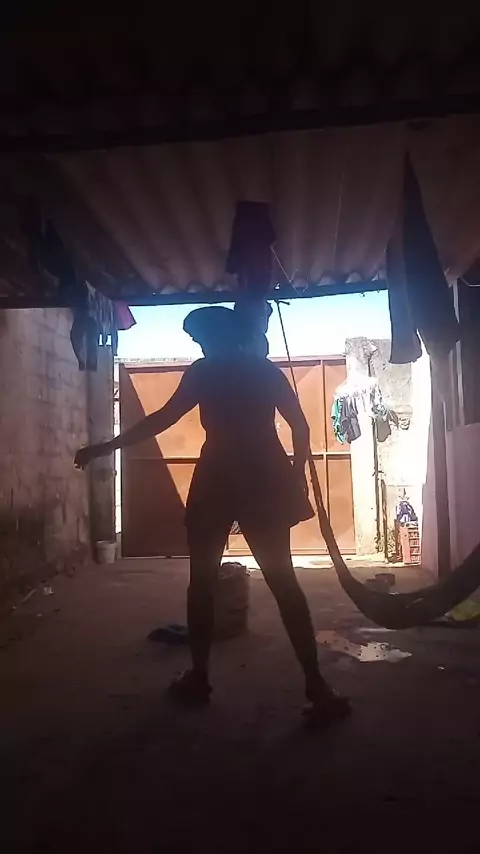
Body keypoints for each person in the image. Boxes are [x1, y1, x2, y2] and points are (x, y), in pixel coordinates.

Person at [75, 306, 349, 725]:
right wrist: (294, 475)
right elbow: (300, 426)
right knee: (283, 583)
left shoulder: (205, 373)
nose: (199, 345)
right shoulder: (264, 372)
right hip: (263, 477)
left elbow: (162, 419)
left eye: (200, 338)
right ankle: (316, 686)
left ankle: (201, 679)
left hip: (217, 477)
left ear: (218, 336)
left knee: (202, 583)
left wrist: (105, 447)